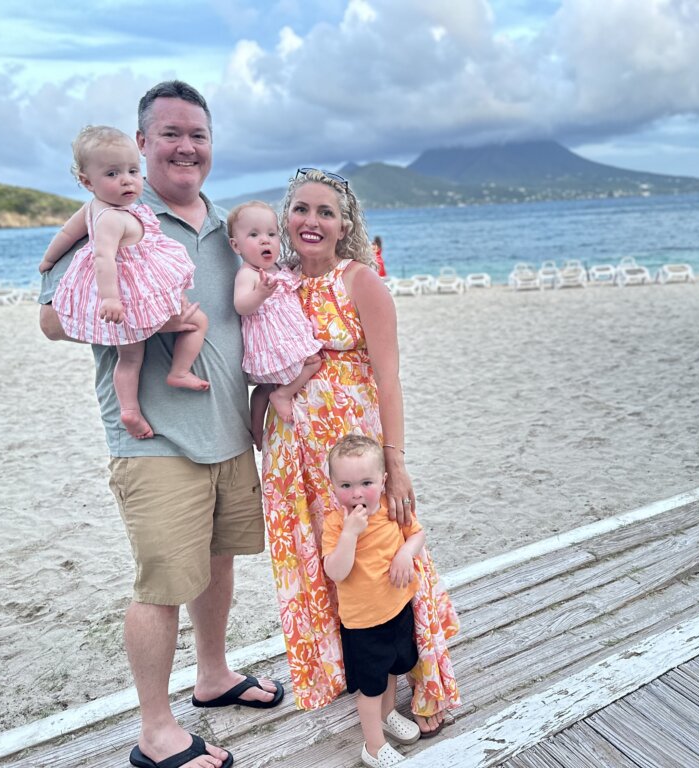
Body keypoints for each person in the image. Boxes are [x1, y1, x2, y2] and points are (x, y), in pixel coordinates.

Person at [38, 81, 282, 768]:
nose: (185, 146)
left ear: (211, 146)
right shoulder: (108, 219)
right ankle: (154, 730)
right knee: (161, 583)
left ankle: (214, 676)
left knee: (217, 564)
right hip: (154, 442)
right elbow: (51, 319)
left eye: (197, 134)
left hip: (231, 433)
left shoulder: (234, 229)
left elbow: (260, 316)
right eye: (169, 133)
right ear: (142, 145)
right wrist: (140, 312)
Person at [259, 168, 460, 736]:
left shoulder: (361, 281)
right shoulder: (275, 282)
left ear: (344, 225)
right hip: (295, 457)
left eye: (325, 212)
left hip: (357, 455)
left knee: (388, 555)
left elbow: (390, 380)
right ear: (286, 217)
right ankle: (358, 682)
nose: (311, 222)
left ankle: (425, 681)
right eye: (301, 209)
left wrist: (395, 463)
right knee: (320, 567)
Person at [38, 125, 210, 440]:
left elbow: (66, 234)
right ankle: (178, 372)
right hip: (127, 300)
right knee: (195, 321)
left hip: (133, 294)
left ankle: (130, 409)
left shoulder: (99, 210)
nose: (127, 180)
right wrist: (110, 300)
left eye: (133, 170)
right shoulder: (109, 218)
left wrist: (49, 260)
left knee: (130, 358)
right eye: (113, 174)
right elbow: (103, 259)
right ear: (87, 182)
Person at [323, 434, 429, 766]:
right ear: (333, 486)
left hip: (397, 609)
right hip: (363, 624)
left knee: (394, 667)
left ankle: (387, 715)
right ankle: (373, 745)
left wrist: (404, 554)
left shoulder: (390, 507)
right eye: (346, 485)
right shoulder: (337, 523)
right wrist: (350, 534)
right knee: (369, 688)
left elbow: (418, 533)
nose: (356, 493)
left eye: (366, 482)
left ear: (383, 481)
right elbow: (335, 571)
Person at [228, 200, 323, 442]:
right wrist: (260, 293)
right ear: (236, 245)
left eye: (272, 234)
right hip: (271, 341)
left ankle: (256, 433)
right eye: (254, 234)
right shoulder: (247, 274)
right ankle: (282, 398)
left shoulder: (280, 267)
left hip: (288, 337)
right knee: (312, 362)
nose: (265, 240)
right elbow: (241, 305)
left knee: (265, 388)